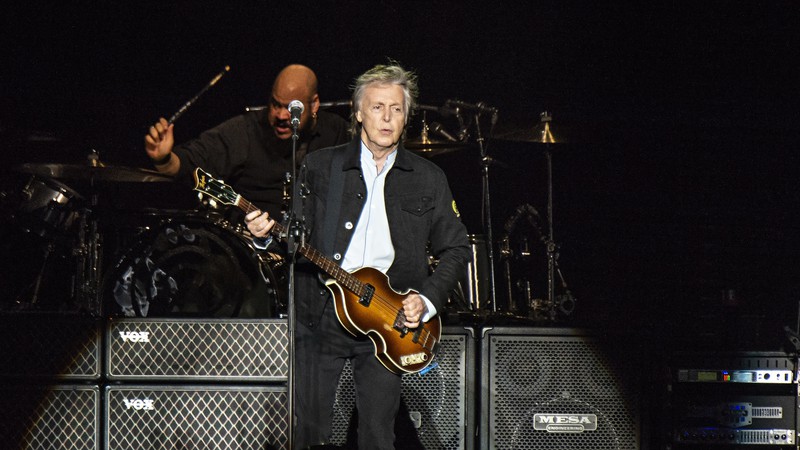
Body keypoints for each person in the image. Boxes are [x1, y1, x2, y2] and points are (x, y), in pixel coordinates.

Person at [245, 62, 470, 448]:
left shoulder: (428, 177)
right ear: (359, 112)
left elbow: (457, 247)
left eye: (396, 109)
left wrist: (427, 300)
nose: (386, 117)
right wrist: (266, 236)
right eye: (378, 107)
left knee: (377, 436)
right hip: (321, 315)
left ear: (406, 117)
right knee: (308, 433)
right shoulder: (320, 165)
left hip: (388, 318)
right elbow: (293, 237)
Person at [144, 64, 350, 220]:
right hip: (254, 253)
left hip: (318, 253)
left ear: (314, 104)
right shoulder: (246, 131)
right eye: (275, 104)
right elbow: (194, 160)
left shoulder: (336, 131)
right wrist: (164, 160)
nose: (280, 115)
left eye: (290, 108)